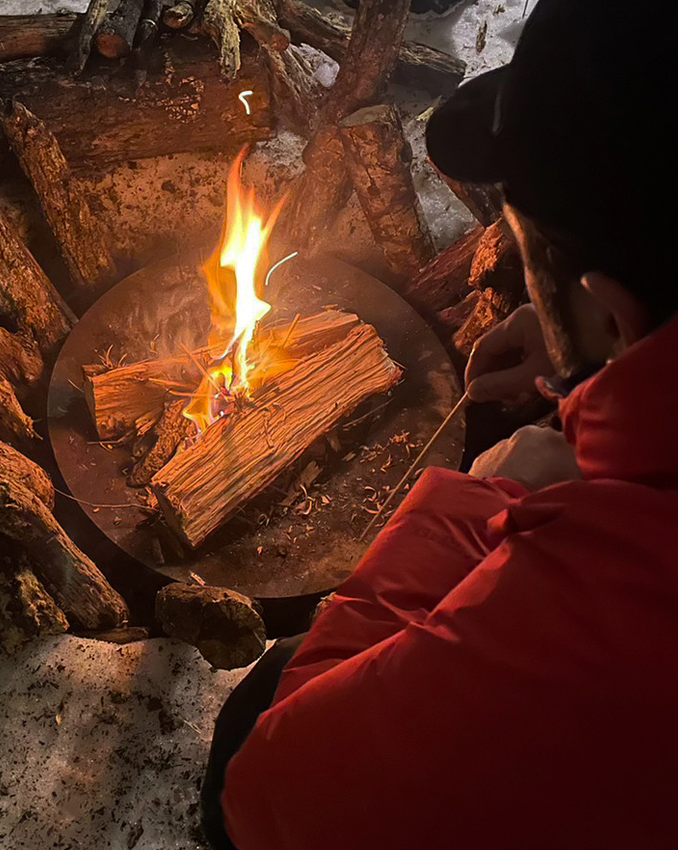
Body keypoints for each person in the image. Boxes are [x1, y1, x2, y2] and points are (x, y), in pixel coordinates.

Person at [200, 0, 678, 847]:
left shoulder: (591, 621)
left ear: (610, 309)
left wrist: (472, 504)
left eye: (537, 257)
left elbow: (275, 795)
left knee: (253, 719)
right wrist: (600, 354)